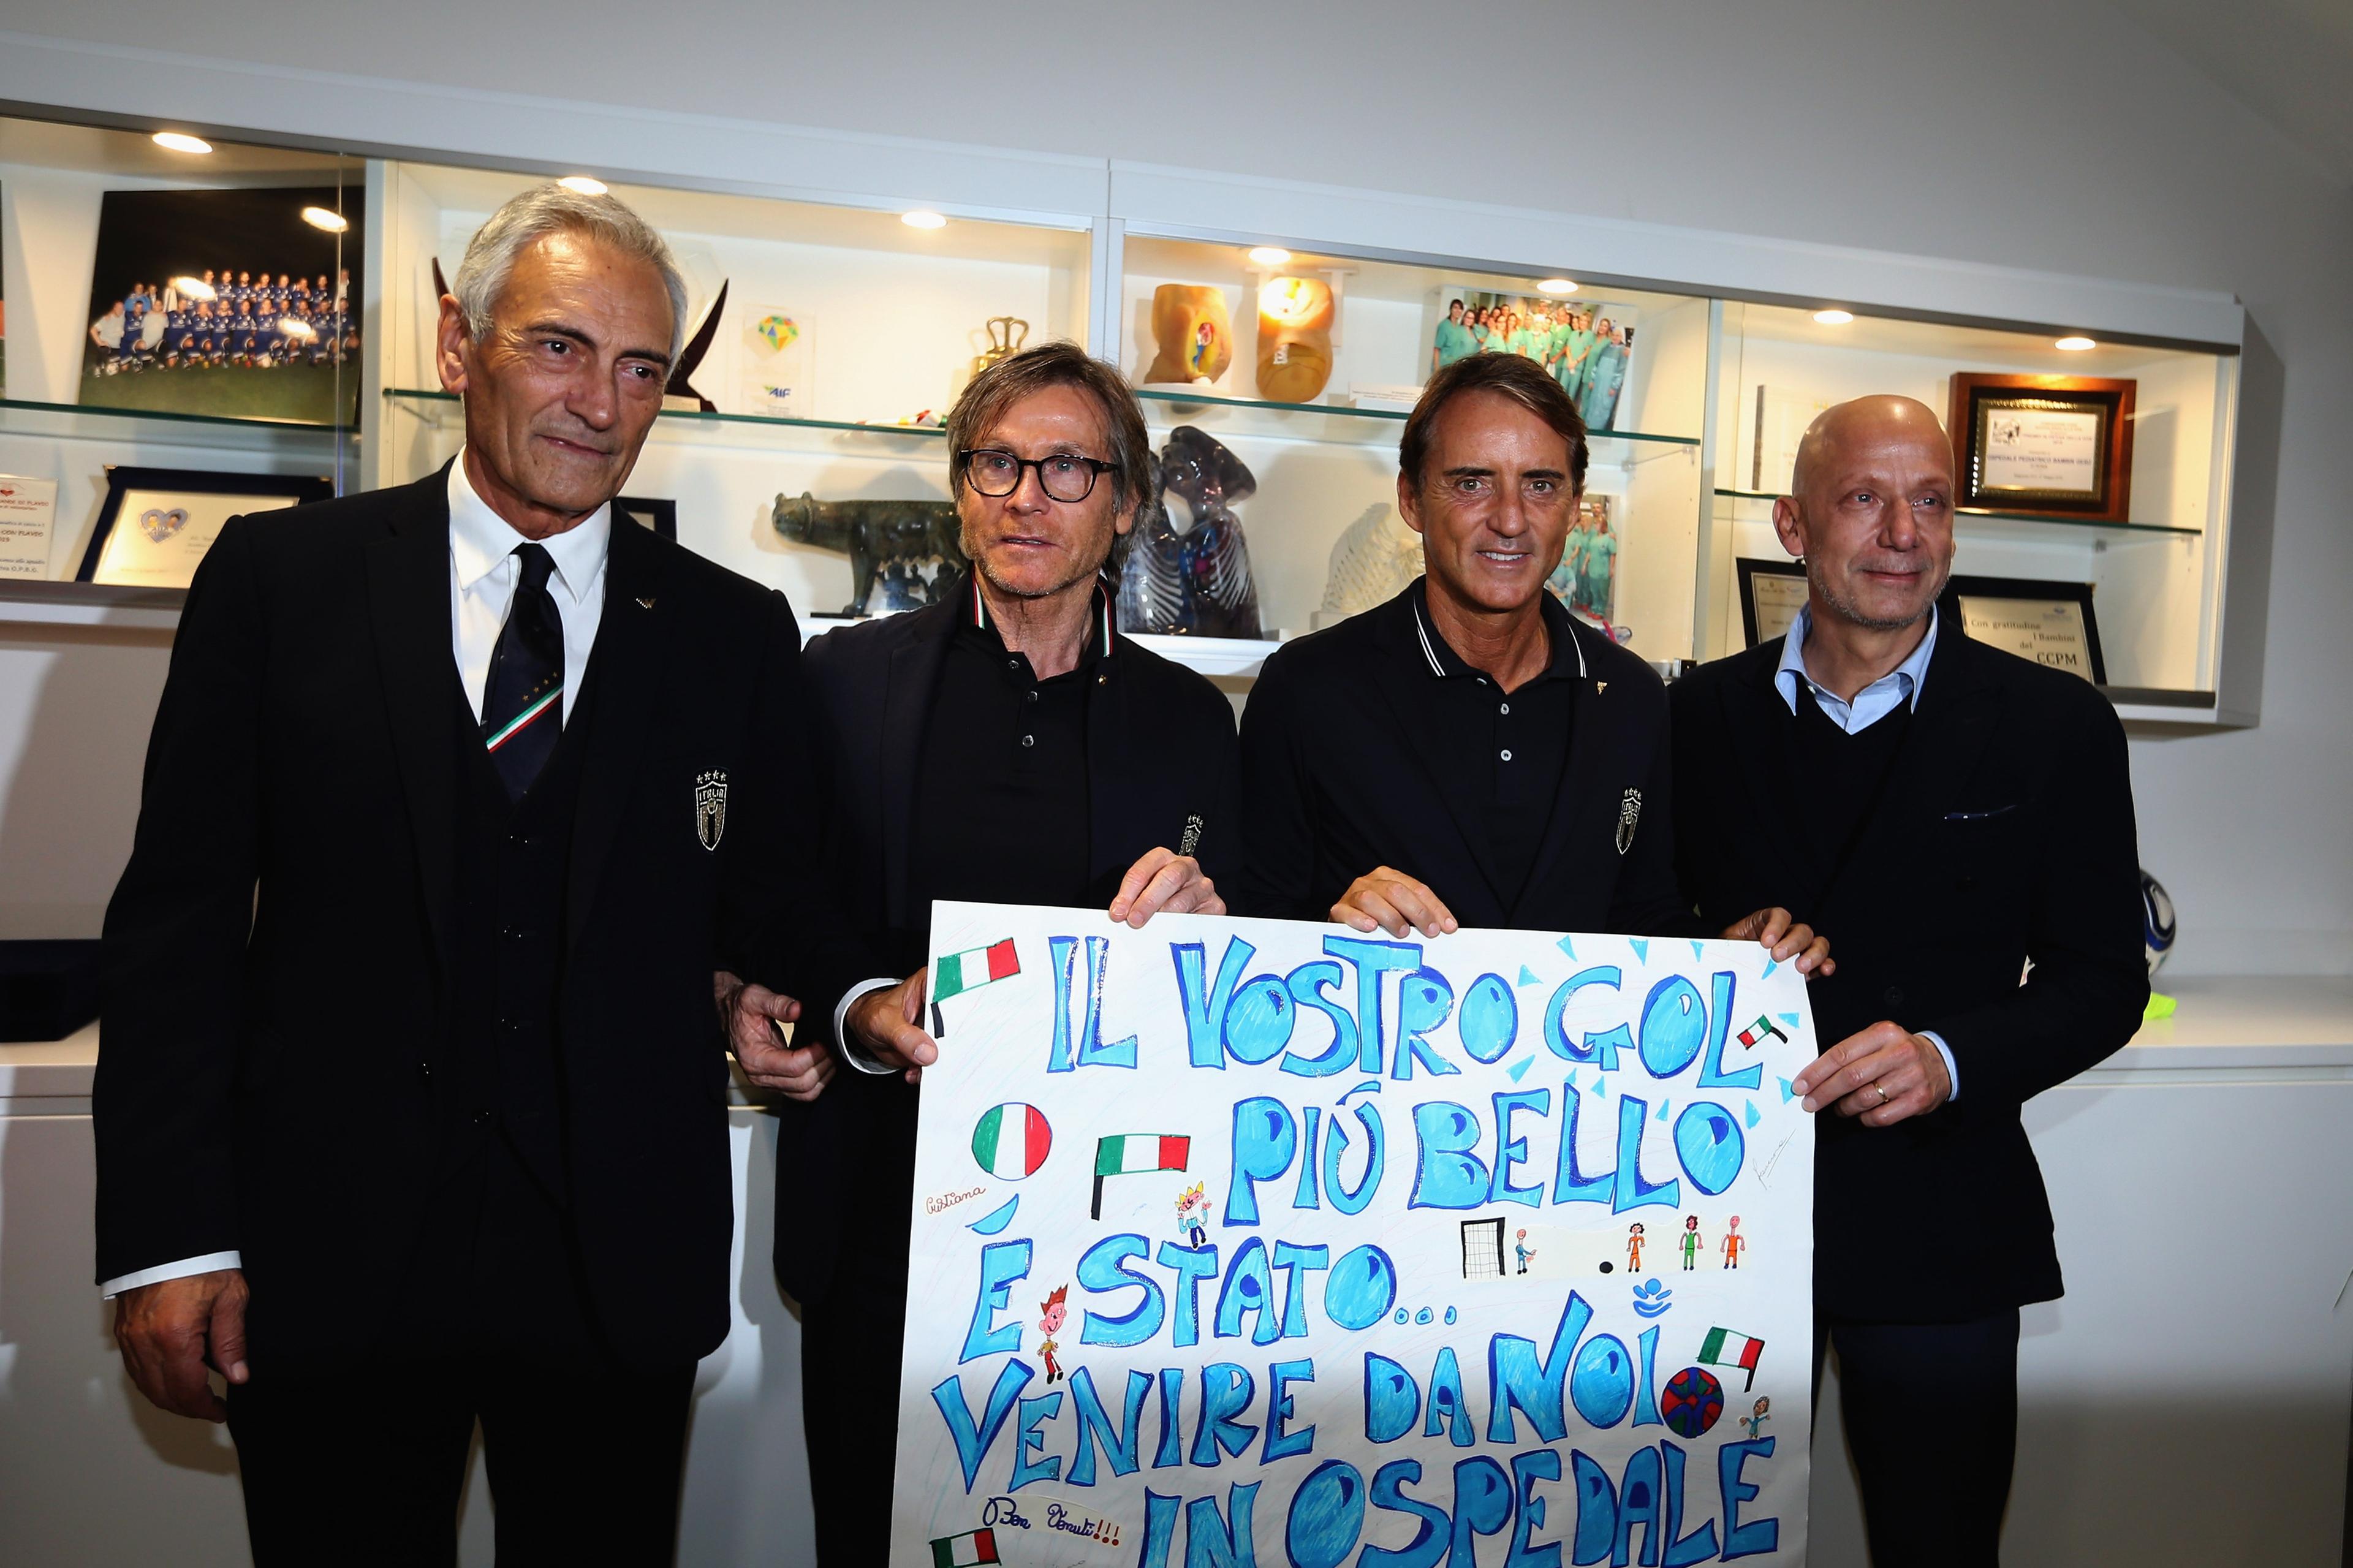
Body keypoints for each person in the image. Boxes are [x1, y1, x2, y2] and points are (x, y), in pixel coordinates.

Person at [94, 183, 820, 1566]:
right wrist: (167, 1242)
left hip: (613, 1272)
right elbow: (176, 927)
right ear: (455, 342)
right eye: (558, 346)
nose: (599, 402)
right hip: (328, 1263)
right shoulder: (277, 580)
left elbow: (767, 901)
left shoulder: (734, 632)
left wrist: (767, 987)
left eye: (641, 367)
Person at [727, 340, 1239, 1564]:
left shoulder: (1192, 721)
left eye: (1068, 468)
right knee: (868, 1533)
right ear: (959, 487)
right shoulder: (843, 676)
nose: (1026, 496)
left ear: (1123, 505)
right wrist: (856, 1006)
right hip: (882, 1218)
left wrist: (1214, 923)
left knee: (1089, 1543)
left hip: (1109, 1240)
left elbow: (1242, 966)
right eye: (997, 462)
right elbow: (773, 893)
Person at [1670, 394, 2148, 1567]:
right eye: (1865, 498)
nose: (1903, 531)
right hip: (1716, 1209)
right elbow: (1629, 931)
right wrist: (1713, 950)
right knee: (1687, 1540)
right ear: (1791, 523)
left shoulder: (2057, 724)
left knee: (1938, 1546)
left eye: (1931, 499)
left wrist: (1946, 1058)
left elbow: (2104, 981)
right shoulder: (1687, 715)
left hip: (1942, 1212)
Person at [1233, 350, 1828, 974]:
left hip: (1572, 1067)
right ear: (1412, 499)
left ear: (1575, 506)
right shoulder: (1308, 689)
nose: (1511, 520)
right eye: (1472, 482)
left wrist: (1727, 956)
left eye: (1541, 485)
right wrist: (1333, 921)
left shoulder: (1632, 697)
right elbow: (1249, 923)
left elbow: (1642, 917)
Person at [1432, 297, 1477, 373]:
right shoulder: (1444, 326)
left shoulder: (1459, 328)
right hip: (1443, 365)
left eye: (1460, 309)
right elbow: (1437, 349)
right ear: (1451, 309)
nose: (1458, 311)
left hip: (1453, 366)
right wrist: (1437, 369)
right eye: (1455, 308)